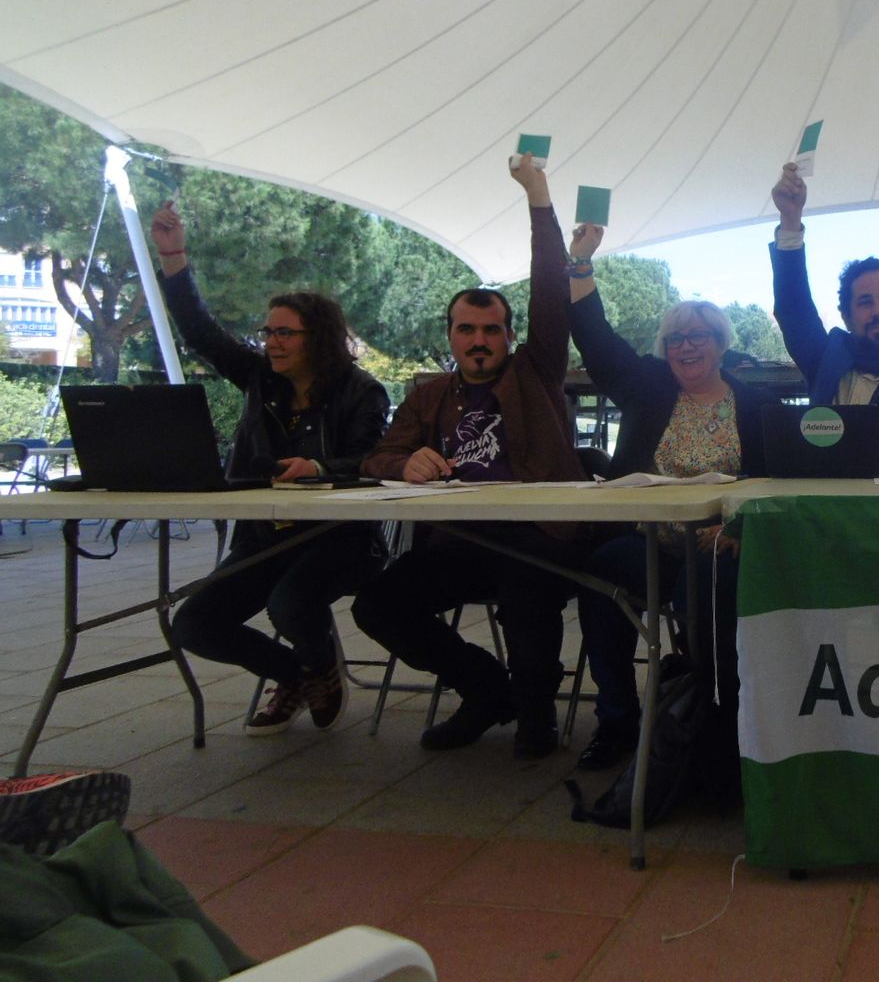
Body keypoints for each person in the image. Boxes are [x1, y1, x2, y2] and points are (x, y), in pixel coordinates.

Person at [352, 153, 588, 759]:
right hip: (458, 541)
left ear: (509, 336)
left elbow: (549, 293)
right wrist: (403, 465)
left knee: (526, 589)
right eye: (467, 330)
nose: (479, 341)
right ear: (451, 335)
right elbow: (377, 457)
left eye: (491, 330)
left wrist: (538, 199)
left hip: (535, 535)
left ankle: (536, 709)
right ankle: (487, 689)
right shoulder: (429, 394)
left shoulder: (537, 373)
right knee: (377, 604)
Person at [150, 201, 390, 734]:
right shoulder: (260, 378)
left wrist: (321, 466)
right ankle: (303, 675)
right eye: (268, 332)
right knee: (194, 622)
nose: (271, 342)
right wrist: (174, 258)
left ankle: (311, 671)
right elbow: (201, 333)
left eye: (285, 334)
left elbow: (373, 461)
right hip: (264, 536)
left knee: (289, 603)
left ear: (318, 338)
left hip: (338, 539)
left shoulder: (362, 390)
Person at [567, 220, 777, 773]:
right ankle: (617, 718)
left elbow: (771, 481)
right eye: (675, 340)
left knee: (709, 587)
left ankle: (715, 721)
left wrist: (737, 528)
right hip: (647, 541)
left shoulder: (753, 405)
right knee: (599, 577)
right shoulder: (651, 387)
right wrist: (581, 265)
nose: (686, 347)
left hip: (716, 547)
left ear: (719, 344)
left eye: (698, 337)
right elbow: (598, 342)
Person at [769, 165, 879, 471]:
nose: (878, 310)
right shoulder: (827, 357)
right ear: (847, 317)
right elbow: (794, 309)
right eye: (865, 302)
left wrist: (854, 455)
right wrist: (790, 221)